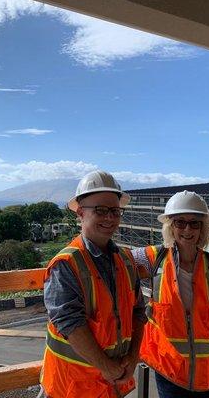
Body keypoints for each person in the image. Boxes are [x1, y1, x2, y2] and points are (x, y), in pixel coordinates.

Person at [39, 170, 146, 398]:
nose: (110, 218)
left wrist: (133, 357)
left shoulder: (126, 260)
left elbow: (138, 312)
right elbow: (69, 323)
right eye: (100, 210)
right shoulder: (66, 264)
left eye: (115, 211)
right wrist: (107, 367)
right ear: (80, 213)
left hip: (112, 385)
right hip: (72, 387)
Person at [132, 191, 209, 398]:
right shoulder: (152, 260)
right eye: (180, 222)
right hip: (171, 373)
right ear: (170, 226)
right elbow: (113, 260)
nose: (187, 229)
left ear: (203, 228)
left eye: (194, 223)